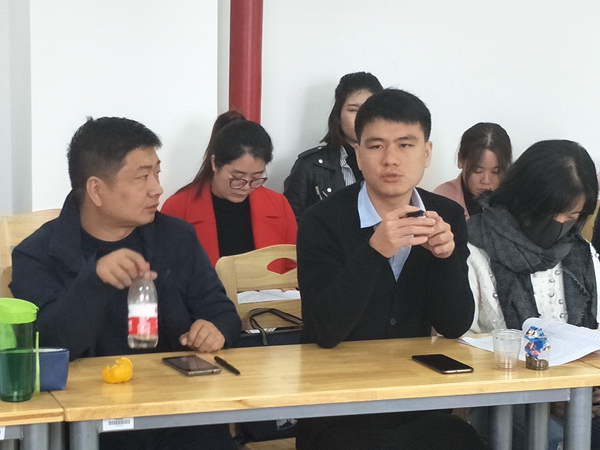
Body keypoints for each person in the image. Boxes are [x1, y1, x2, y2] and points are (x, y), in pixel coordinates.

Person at [10, 117, 241, 450]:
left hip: (177, 413)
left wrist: (215, 328)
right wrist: (93, 281)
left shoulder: (176, 237)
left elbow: (220, 310)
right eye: (142, 177)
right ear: (96, 190)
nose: (157, 188)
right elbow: (47, 347)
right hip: (85, 422)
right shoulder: (38, 254)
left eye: (157, 173)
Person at [296, 89, 485, 450]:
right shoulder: (321, 220)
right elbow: (324, 331)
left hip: (418, 403)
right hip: (340, 408)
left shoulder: (444, 216)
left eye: (405, 145)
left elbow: (454, 325)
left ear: (426, 153)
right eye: (376, 145)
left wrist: (445, 259)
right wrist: (374, 252)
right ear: (358, 154)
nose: (391, 159)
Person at [467, 140, 600, 449]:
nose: (559, 225)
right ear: (523, 198)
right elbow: (462, 348)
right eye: (550, 214)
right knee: (554, 440)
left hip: (580, 394)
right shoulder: (474, 251)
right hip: (504, 398)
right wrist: (546, 391)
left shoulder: (582, 256)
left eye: (571, 216)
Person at [162, 113, 297, 268]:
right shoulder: (178, 208)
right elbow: (166, 271)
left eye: (256, 177)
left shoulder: (278, 205)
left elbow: (292, 268)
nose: (246, 186)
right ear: (215, 163)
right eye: (237, 177)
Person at [283, 71, 383, 221]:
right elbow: (291, 226)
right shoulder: (310, 167)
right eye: (353, 110)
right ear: (338, 114)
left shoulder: (394, 161)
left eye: (369, 110)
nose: (362, 118)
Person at [434, 122, 512, 219]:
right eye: (477, 171)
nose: (486, 181)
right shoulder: (442, 198)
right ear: (460, 160)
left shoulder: (513, 201)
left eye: (496, 172)